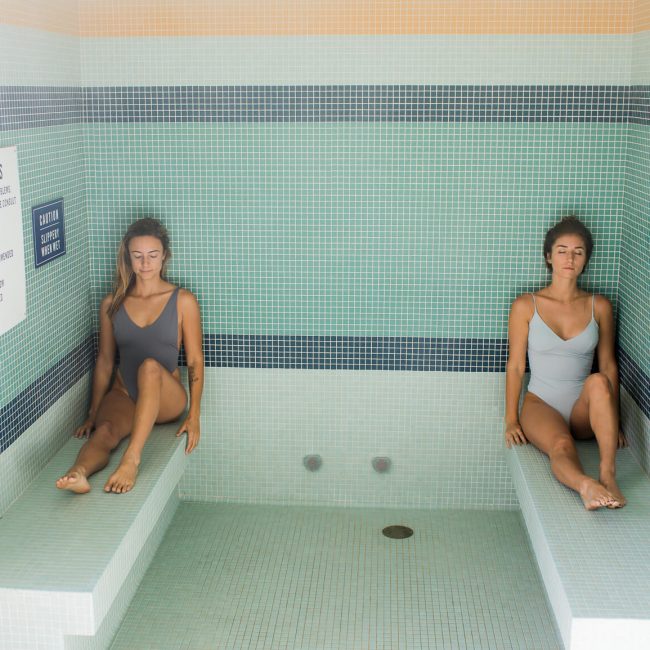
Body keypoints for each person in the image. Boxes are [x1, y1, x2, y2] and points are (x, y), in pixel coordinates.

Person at [56, 218, 203, 494]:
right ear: (128, 258)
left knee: (149, 367)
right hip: (125, 394)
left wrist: (194, 414)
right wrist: (93, 412)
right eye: (137, 256)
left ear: (164, 257)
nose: (145, 264)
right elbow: (105, 361)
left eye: (152, 256)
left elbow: (195, 360)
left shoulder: (183, 300)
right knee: (105, 430)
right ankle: (79, 473)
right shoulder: (112, 304)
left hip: (166, 399)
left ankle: (131, 459)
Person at [505, 216, 626, 510]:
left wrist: (614, 420)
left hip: (582, 409)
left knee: (597, 380)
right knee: (561, 446)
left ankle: (608, 476)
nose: (569, 258)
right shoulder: (526, 305)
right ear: (549, 256)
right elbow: (516, 366)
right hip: (540, 404)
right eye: (562, 250)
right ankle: (585, 487)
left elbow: (608, 367)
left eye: (578, 251)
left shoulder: (600, 306)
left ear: (586, 259)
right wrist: (510, 419)